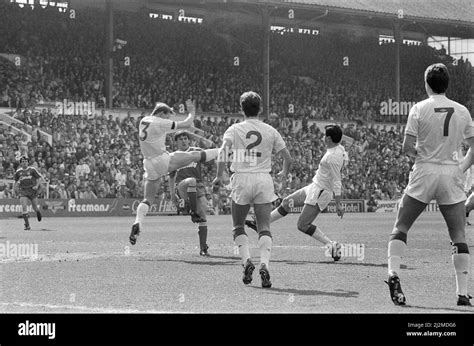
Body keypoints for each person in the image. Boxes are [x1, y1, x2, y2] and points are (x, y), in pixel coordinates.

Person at [386, 63, 474, 307]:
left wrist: (423, 160)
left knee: (401, 226)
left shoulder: (419, 108)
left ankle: (393, 274)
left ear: (426, 84)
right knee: (458, 234)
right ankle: (462, 293)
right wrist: (460, 168)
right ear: (447, 84)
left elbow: (406, 147)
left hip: (424, 171)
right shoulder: (462, 111)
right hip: (451, 173)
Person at [213, 91, 292, 288]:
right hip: (263, 179)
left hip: (241, 178)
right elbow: (287, 158)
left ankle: (246, 261)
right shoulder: (270, 130)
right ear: (260, 109)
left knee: (238, 226)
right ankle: (264, 265)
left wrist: (218, 176)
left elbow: (223, 152)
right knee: (264, 226)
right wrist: (283, 172)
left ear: (242, 109)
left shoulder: (234, 129)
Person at [244, 125, 346, 261]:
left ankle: (332, 246)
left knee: (303, 225)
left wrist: (338, 204)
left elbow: (337, 181)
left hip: (321, 192)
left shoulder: (332, 157)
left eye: (324, 135)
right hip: (315, 186)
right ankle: (259, 224)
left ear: (328, 138)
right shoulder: (339, 149)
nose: (322, 137)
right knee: (287, 202)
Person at [129, 100, 219, 245]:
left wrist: (192, 130)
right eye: (167, 115)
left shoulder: (144, 120)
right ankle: (224, 151)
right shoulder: (160, 122)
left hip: (148, 164)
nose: (168, 119)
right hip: (161, 159)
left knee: (148, 199)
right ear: (161, 113)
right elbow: (185, 123)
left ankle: (138, 222)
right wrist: (192, 112)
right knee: (193, 156)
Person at [169, 131, 211, 256]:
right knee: (191, 181)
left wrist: (207, 144)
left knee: (203, 216)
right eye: (180, 139)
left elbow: (209, 153)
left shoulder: (195, 151)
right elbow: (171, 177)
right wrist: (172, 195)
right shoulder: (174, 156)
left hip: (198, 187)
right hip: (182, 186)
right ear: (176, 142)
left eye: (185, 138)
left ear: (189, 140)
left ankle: (203, 248)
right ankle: (192, 210)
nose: (183, 140)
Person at [13, 156, 43, 230]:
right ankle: (27, 225)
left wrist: (36, 185)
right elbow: (15, 181)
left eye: (25, 161)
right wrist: (14, 190)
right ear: (20, 163)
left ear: (28, 162)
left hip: (32, 190)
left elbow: (39, 178)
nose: (24, 163)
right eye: (22, 161)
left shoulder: (32, 170)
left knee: (35, 207)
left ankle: (38, 212)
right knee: (24, 207)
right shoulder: (18, 172)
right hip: (23, 191)